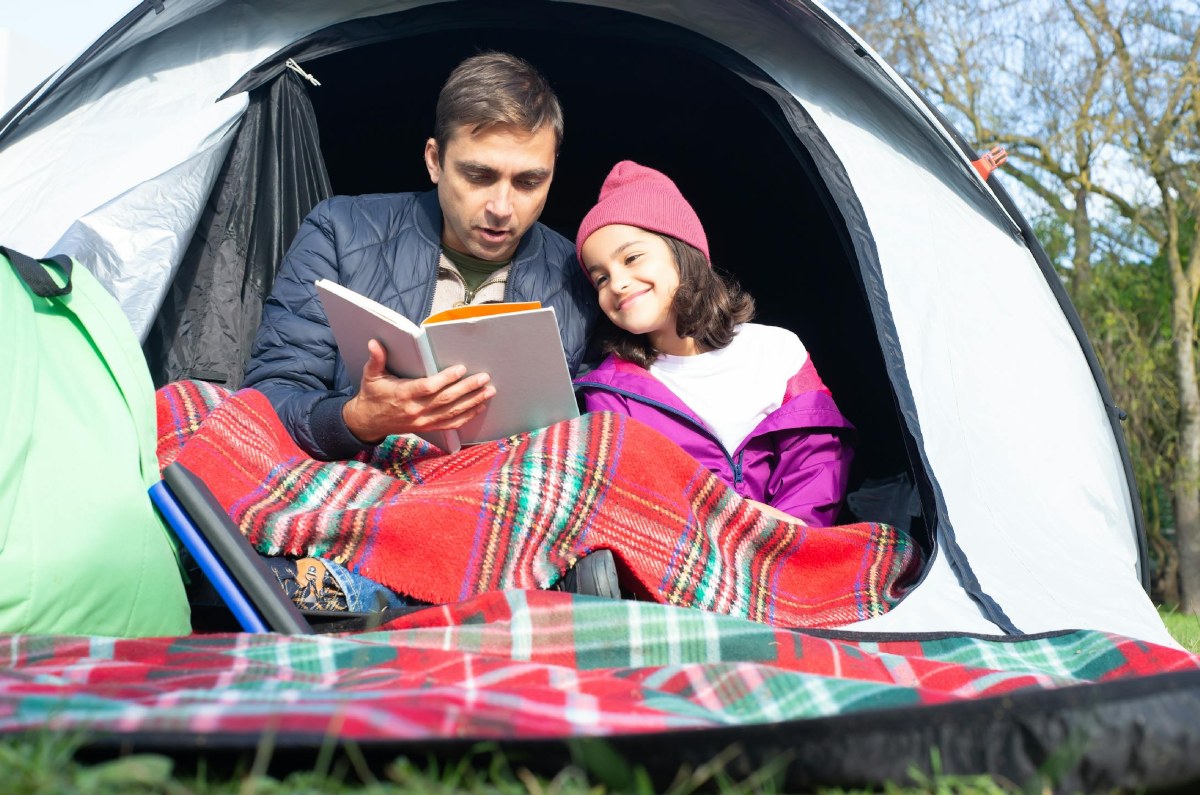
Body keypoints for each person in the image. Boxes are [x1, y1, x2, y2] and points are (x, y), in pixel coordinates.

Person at [242, 52, 597, 461]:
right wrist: (357, 420)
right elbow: (268, 398)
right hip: (358, 490)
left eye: (528, 182)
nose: (501, 206)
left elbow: (601, 425)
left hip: (503, 501)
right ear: (434, 161)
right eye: (479, 176)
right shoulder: (340, 232)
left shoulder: (581, 276)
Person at [572, 161, 855, 527]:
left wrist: (789, 532)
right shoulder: (611, 391)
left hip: (791, 549)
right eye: (601, 278)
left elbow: (817, 457)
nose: (619, 283)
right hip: (680, 558)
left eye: (632, 258)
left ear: (684, 252)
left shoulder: (777, 352)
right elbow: (633, 497)